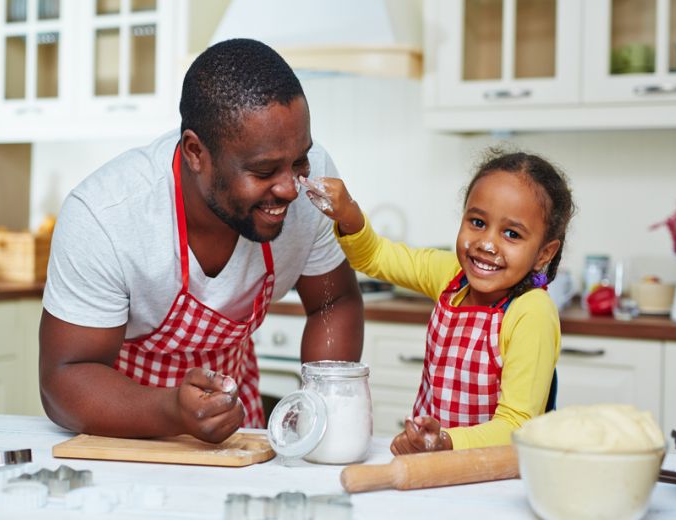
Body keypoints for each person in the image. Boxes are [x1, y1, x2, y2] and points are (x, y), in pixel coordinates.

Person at [39, 38, 364, 443]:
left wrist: (320, 412)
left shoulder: (310, 187)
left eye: (299, 161)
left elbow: (333, 302)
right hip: (120, 434)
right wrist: (171, 411)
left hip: (235, 433)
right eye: (264, 171)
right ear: (195, 152)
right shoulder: (106, 217)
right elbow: (65, 378)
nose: (290, 189)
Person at [301, 148, 575, 453]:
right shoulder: (452, 276)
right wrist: (348, 214)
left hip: (495, 476)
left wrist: (445, 441)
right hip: (435, 463)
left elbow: (516, 426)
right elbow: (377, 256)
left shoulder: (531, 311)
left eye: (511, 234)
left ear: (544, 253)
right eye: (478, 222)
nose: (487, 243)